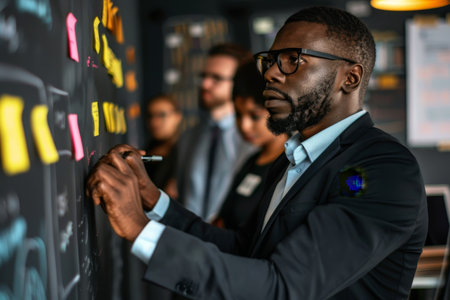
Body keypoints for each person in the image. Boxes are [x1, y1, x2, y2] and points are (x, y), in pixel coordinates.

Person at [86, 6, 428, 299]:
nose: (271, 74)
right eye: (271, 60)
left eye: (293, 60)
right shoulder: (293, 159)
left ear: (350, 78)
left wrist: (138, 228)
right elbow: (244, 249)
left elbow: (282, 288)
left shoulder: (384, 169)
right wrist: (154, 201)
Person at [176, 43, 256, 221]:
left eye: (216, 78)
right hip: (187, 240)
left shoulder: (253, 139)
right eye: (203, 76)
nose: (205, 84)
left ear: (238, 83)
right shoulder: (189, 137)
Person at [213, 61, 288, 229]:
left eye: (254, 116)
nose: (244, 125)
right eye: (239, 115)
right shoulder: (251, 161)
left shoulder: (291, 165)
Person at [144, 94, 182, 199]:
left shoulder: (185, 153)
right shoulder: (145, 150)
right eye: (150, 116)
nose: (154, 122)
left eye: (161, 115)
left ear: (177, 117)